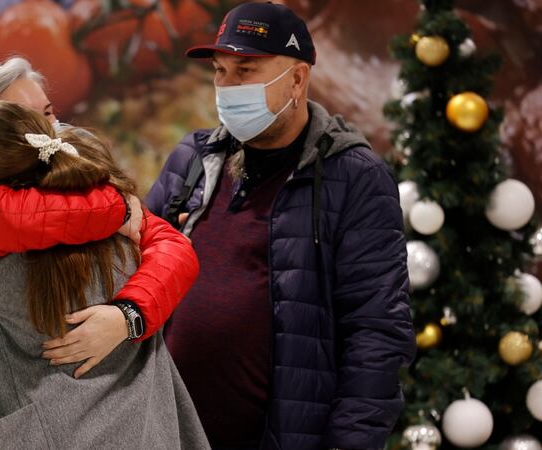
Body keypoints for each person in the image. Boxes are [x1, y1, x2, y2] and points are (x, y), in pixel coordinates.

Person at [0, 56, 197, 450]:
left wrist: (128, 316)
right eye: (20, 120)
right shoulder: (102, 198)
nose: (47, 134)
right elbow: (5, 219)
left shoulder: (81, 191)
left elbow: (172, 247)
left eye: (48, 114)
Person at [145, 3, 416, 449]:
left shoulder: (355, 177)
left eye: (246, 70)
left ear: (296, 79)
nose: (227, 87)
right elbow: (132, 267)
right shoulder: (192, 158)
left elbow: (377, 334)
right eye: (219, 70)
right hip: (167, 432)